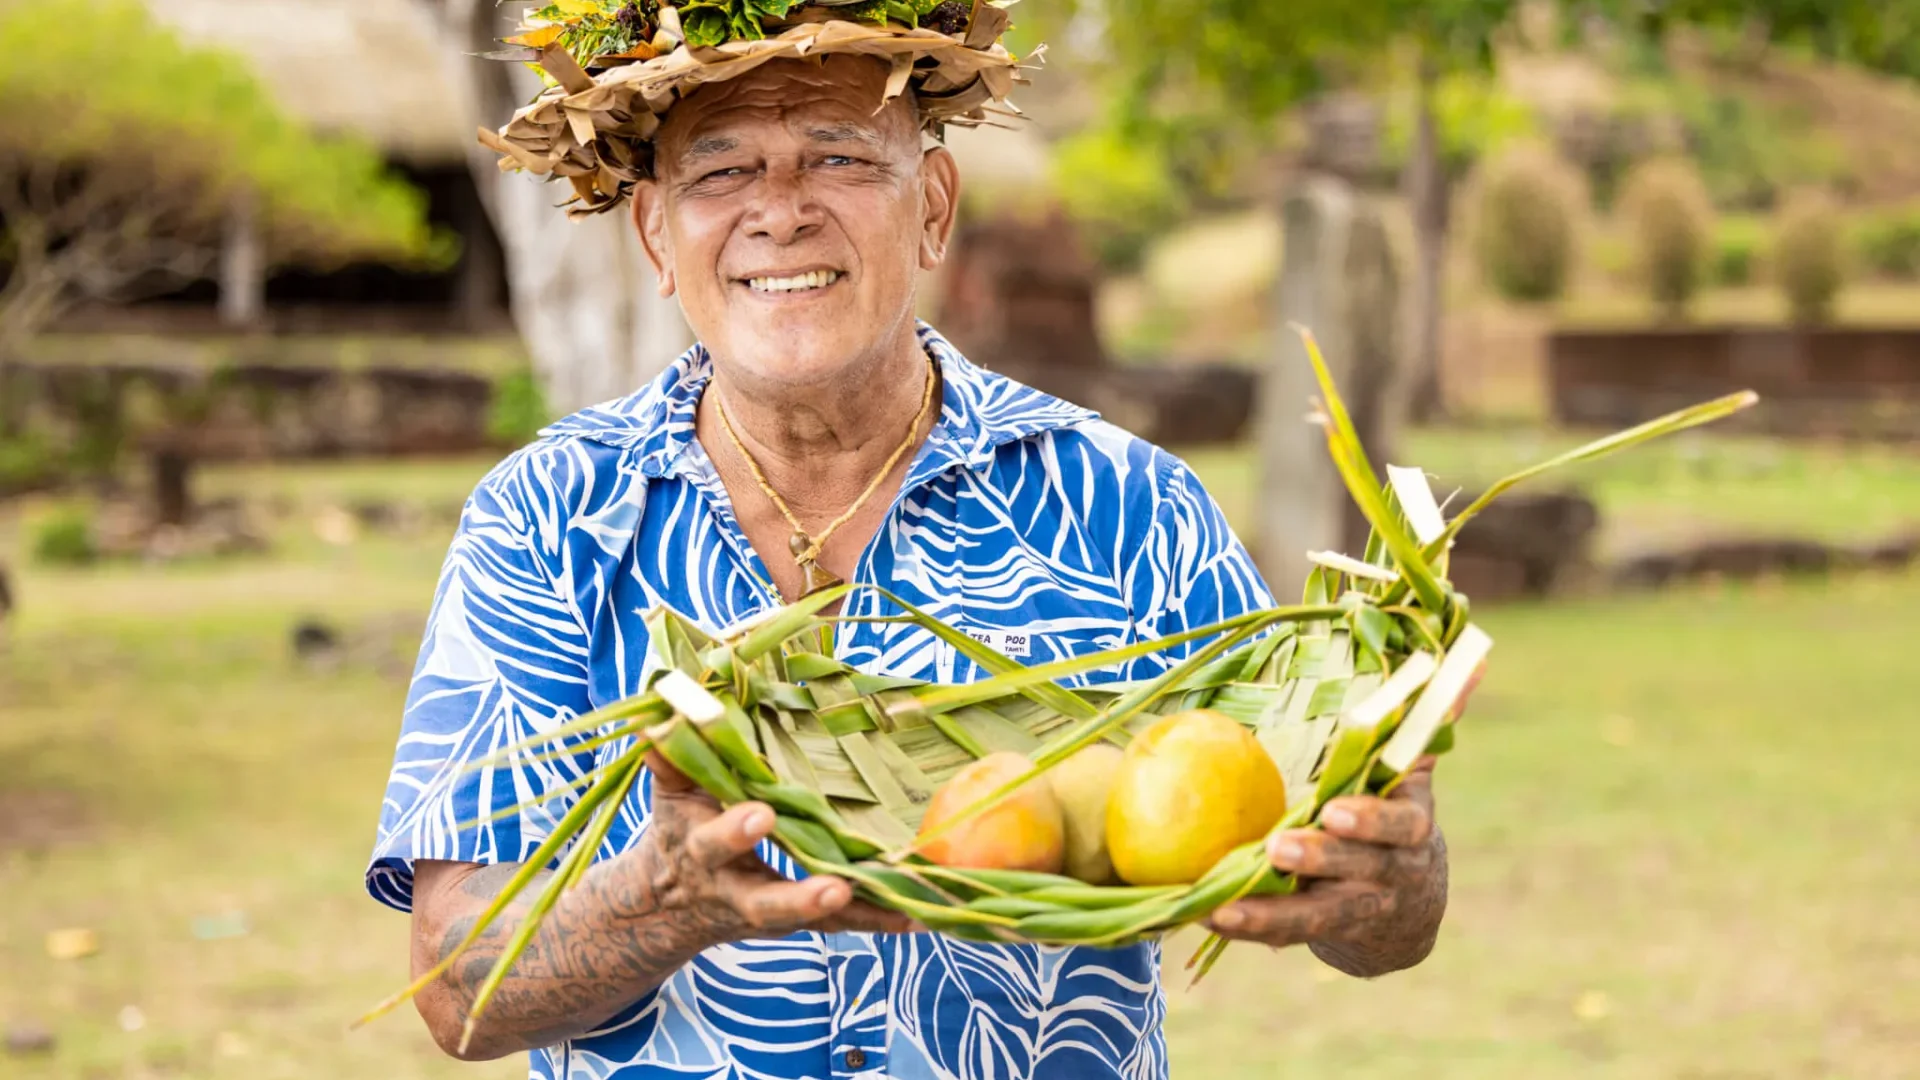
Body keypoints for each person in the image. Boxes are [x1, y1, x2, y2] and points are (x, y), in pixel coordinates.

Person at [367, 20, 1449, 1080]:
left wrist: (1390, 885)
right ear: (656, 235)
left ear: (932, 209)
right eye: (724, 169)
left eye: (837, 157)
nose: (780, 213)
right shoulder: (546, 520)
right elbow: (457, 995)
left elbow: (1360, 907)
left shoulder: (1130, 507)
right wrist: (661, 903)